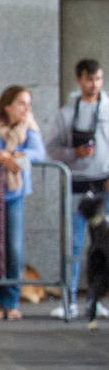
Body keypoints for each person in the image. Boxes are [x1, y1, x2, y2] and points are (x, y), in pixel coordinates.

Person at [0, 87, 45, 320]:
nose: (26, 108)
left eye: (28, 103)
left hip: (15, 194)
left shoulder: (28, 126)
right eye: (22, 103)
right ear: (8, 105)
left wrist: (16, 157)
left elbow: (38, 152)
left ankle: (11, 301)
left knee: (13, 249)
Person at [45, 58, 109, 320]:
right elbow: (51, 149)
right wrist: (74, 152)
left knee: (104, 246)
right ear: (79, 80)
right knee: (74, 244)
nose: (94, 84)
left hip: (105, 182)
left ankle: (97, 298)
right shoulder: (66, 113)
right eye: (89, 79)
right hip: (78, 183)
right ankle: (69, 299)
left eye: (98, 79)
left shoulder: (107, 107)